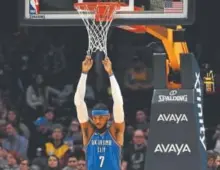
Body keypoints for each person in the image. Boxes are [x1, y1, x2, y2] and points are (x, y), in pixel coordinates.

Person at [74, 56, 125, 170]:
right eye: (95, 118)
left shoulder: (115, 131)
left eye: (100, 118)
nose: (97, 121)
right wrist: (84, 73)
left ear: (108, 117)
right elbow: (79, 102)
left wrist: (111, 73)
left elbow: (118, 102)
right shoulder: (89, 131)